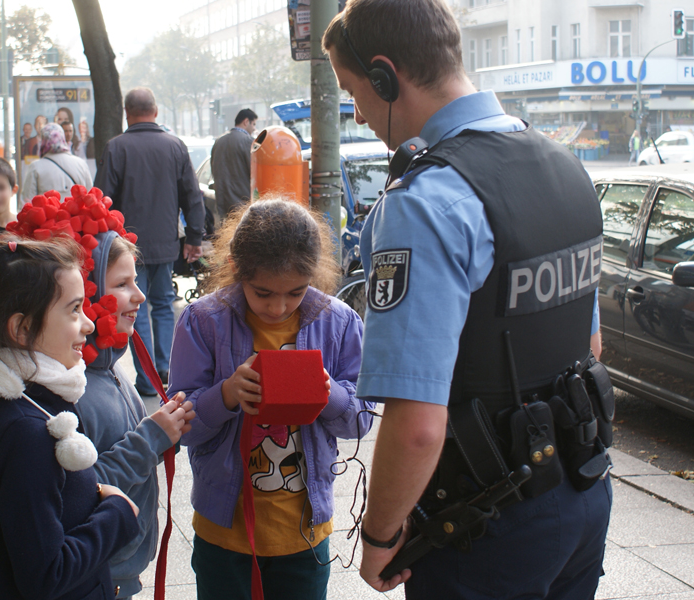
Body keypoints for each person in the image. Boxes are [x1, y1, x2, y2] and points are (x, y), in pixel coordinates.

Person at [322, 1, 611, 597]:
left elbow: (419, 425)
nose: (358, 111)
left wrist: (379, 538)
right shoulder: (564, 166)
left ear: (384, 75)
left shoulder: (424, 203)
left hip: (486, 530)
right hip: (583, 493)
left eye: (354, 91)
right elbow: (590, 343)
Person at [168, 198, 373, 600]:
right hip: (223, 531)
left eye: (295, 293)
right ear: (237, 269)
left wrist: (327, 394)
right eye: (263, 293)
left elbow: (362, 418)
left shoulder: (339, 322)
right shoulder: (203, 321)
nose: (278, 308)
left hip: (303, 534)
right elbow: (179, 427)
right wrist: (225, 395)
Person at [0, 236, 140, 599]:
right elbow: (46, 575)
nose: (88, 324)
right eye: (73, 309)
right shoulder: (27, 433)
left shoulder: (6, 402)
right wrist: (118, 514)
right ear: (21, 329)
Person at [75, 226, 196, 599]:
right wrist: (151, 438)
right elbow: (80, 490)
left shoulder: (108, 368)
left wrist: (168, 432)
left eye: (137, 281)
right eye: (123, 284)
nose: (139, 295)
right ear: (88, 291)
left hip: (118, 566)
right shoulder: (71, 388)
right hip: (97, 573)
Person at [95, 87, 205, 396]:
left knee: (134, 308)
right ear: (155, 112)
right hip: (166, 244)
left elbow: (102, 199)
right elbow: (192, 196)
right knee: (163, 305)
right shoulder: (175, 146)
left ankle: (147, 379)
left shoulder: (116, 148)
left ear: (127, 114)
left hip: (127, 249)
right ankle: (166, 368)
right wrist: (194, 237)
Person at [22, 123, 92, 203]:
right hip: (77, 215)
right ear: (62, 139)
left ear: (43, 141)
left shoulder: (35, 167)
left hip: (48, 215)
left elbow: (27, 202)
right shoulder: (81, 164)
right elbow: (90, 198)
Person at [211, 108, 258, 219]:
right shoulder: (248, 142)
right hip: (242, 207)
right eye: (254, 124)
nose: (254, 128)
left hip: (222, 205)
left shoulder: (219, 141)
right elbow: (255, 173)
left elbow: (213, 169)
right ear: (246, 122)